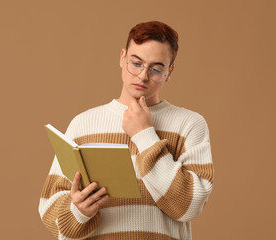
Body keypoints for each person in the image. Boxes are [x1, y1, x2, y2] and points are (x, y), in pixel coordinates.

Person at [38, 21, 214, 240]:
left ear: (169, 72)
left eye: (156, 69)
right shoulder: (83, 124)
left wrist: (145, 135)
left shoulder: (189, 124)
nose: (142, 76)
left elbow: (190, 206)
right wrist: (79, 210)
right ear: (122, 58)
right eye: (136, 63)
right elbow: (49, 209)